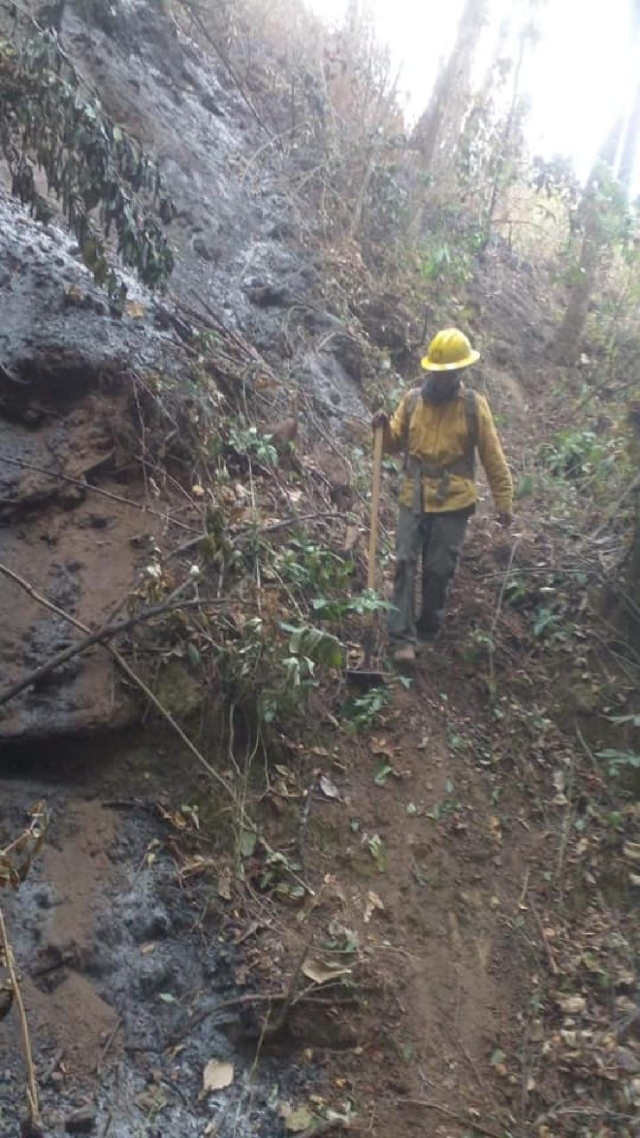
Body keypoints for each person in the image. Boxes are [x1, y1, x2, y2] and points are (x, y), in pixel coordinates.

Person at [372, 327, 513, 665]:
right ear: (430, 370)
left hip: (453, 501)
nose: (446, 378)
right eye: (440, 372)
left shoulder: (472, 407)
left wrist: (503, 499)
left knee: (438, 570)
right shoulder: (411, 401)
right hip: (414, 494)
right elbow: (393, 443)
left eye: (452, 372)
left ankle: (427, 630)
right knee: (405, 562)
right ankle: (401, 638)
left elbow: (493, 455)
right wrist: (380, 429)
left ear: (461, 372)